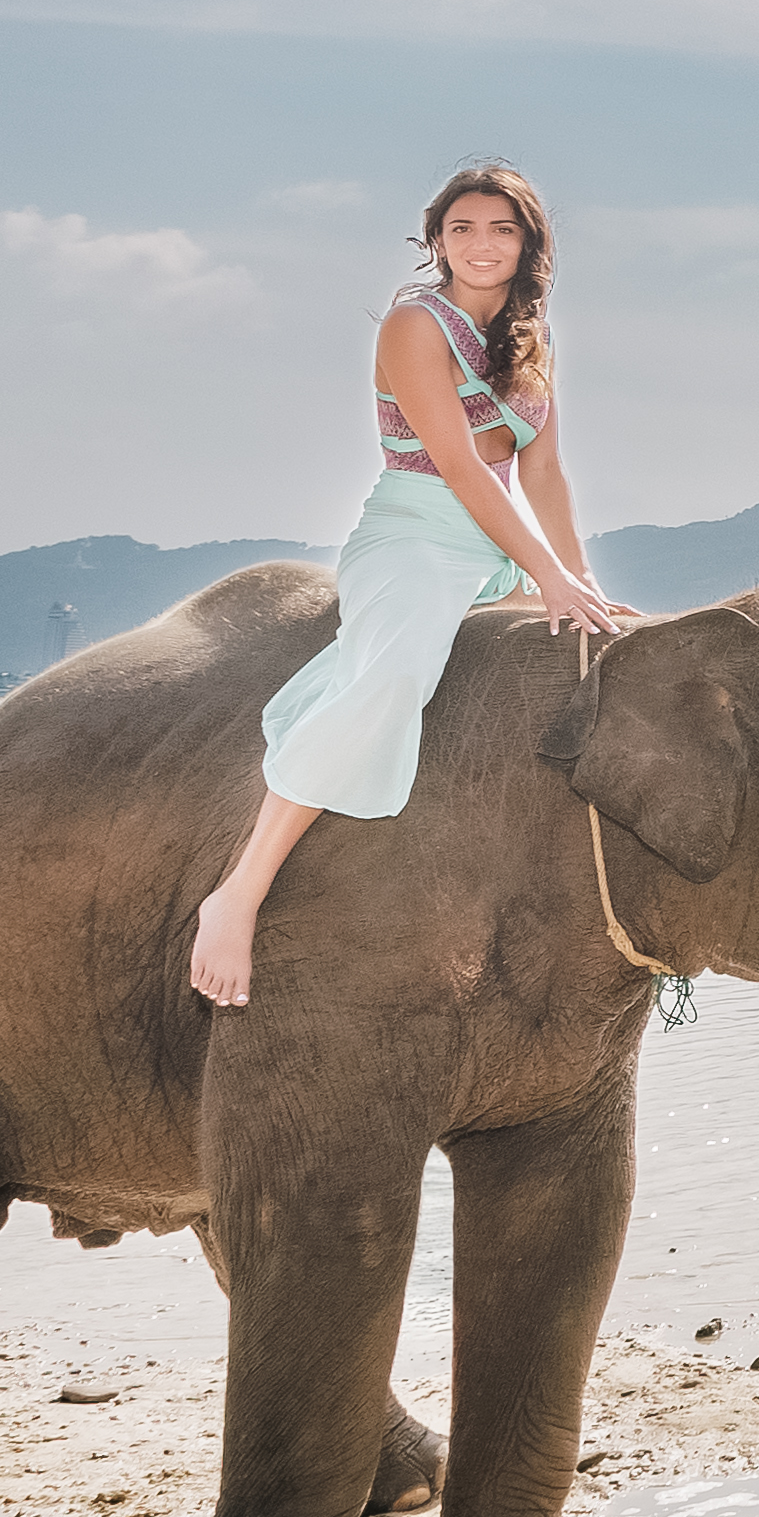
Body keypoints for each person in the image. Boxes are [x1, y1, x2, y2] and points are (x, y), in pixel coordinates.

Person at [190, 162, 636, 1008]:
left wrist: (578, 578)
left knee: (603, 650)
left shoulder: (534, 341)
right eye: (461, 228)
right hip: (413, 534)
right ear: (437, 240)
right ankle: (239, 892)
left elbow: (543, 474)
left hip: (500, 542)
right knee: (389, 677)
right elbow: (461, 467)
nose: (480, 243)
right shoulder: (412, 324)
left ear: (528, 243)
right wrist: (545, 573)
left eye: (500, 228)